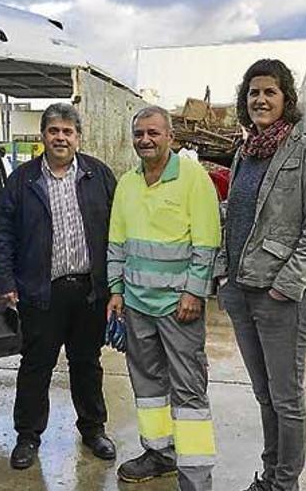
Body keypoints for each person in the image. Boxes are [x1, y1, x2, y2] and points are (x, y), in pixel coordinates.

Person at [213, 59, 306, 491]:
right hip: (243, 293)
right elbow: (232, 218)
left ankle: (285, 484)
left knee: (286, 398)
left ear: (286, 99)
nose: (260, 100)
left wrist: (287, 285)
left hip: (283, 297)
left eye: (269, 92)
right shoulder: (246, 152)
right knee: (265, 395)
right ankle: (270, 476)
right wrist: (224, 278)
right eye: (253, 93)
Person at [0, 103, 118, 470]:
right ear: (43, 136)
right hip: (40, 292)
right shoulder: (23, 179)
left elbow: (118, 228)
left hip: (89, 291)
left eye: (67, 131)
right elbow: (3, 233)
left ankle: (93, 430)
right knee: (36, 365)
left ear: (78, 137)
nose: (60, 137)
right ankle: (27, 438)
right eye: (54, 131)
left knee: (87, 363)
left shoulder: (99, 175)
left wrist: (115, 284)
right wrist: (6, 280)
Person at [107, 105, 221, 491]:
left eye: (153, 133)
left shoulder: (193, 179)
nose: (145, 140)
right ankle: (158, 454)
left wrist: (194, 291)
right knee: (149, 385)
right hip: (137, 306)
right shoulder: (127, 183)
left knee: (188, 390)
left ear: (170, 137)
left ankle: (195, 477)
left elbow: (207, 242)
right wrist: (116, 291)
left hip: (179, 307)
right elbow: (117, 243)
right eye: (139, 133)